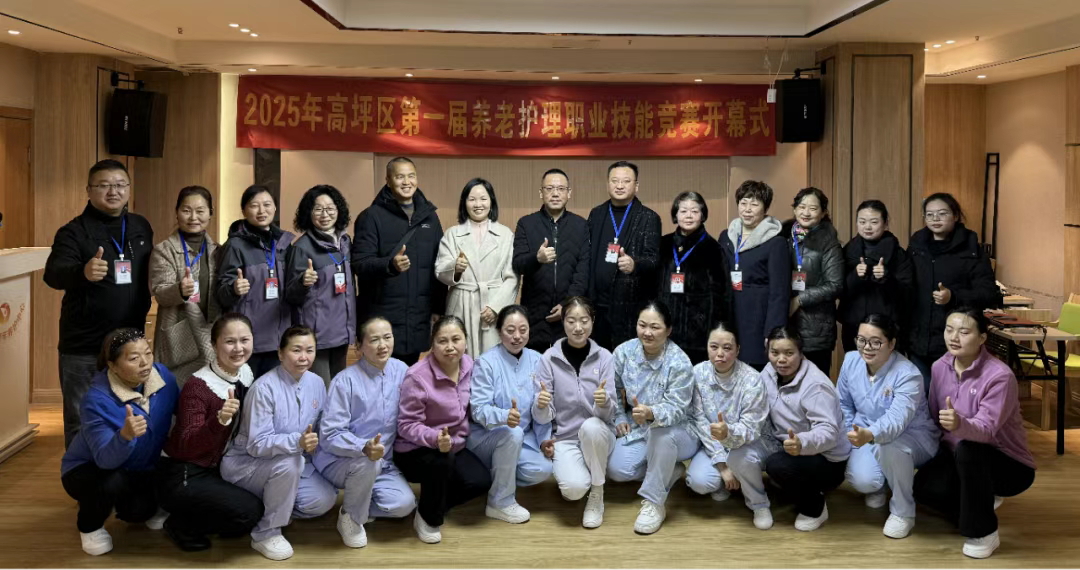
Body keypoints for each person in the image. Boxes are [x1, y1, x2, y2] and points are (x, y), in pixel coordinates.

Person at [44, 159, 154, 448]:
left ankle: (120, 471)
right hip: (85, 345)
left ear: (128, 188)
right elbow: (52, 274)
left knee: (128, 414)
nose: (113, 191)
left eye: (119, 185)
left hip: (129, 344)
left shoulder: (140, 226)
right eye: (104, 185)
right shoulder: (73, 232)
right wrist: (81, 272)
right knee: (81, 418)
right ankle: (82, 474)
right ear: (89, 190)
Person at [913, 308, 1035, 559]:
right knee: (923, 489)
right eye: (949, 330)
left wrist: (959, 424)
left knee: (969, 449)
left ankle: (984, 532)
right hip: (956, 454)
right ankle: (978, 503)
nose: (954, 337)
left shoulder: (1000, 376)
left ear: (982, 338)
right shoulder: (939, 367)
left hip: (1007, 462)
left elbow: (987, 430)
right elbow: (935, 417)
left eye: (964, 332)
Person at [220, 326, 337, 561]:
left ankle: (273, 505)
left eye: (310, 350)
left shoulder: (316, 383)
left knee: (323, 500)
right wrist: (298, 441)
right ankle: (266, 532)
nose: (303, 357)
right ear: (281, 353)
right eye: (296, 350)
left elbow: (321, 427)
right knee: (291, 463)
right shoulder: (264, 388)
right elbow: (257, 444)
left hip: (289, 463)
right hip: (247, 464)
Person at [60, 329, 178, 556]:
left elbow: (182, 411)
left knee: (140, 512)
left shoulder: (163, 377)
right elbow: (105, 460)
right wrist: (124, 436)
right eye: (133, 358)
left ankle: (117, 502)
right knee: (111, 482)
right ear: (112, 366)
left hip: (137, 467)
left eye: (148, 353)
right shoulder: (96, 400)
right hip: (88, 468)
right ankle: (90, 526)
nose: (144, 363)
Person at [156, 313, 264, 551]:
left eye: (244, 340)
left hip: (220, 465)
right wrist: (219, 420)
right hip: (185, 470)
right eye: (229, 341)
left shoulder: (244, 372)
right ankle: (179, 524)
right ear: (214, 345)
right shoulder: (198, 386)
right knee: (249, 513)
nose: (238, 348)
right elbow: (187, 446)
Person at [314, 316, 417, 549]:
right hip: (341, 459)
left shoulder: (402, 370)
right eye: (374, 340)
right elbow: (330, 435)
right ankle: (350, 517)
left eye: (387, 337)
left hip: (383, 461)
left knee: (404, 505)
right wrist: (363, 447)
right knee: (367, 462)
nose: (383, 345)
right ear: (358, 346)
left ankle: (356, 503)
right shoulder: (345, 381)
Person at [837, 314, 938, 539]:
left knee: (892, 446)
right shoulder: (851, 361)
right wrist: (851, 431)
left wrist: (870, 433)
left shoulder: (908, 374)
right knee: (864, 481)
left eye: (876, 342)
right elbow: (843, 403)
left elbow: (896, 420)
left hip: (912, 436)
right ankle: (883, 484)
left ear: (891, 344)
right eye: (861, 340)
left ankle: (903, 512)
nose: (867, 347)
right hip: (864, 431)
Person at [394, 316, 492, 544]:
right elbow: (406, 425)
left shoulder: (470, 365)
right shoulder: (417, 376)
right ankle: (428, 518)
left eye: (456, 339)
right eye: (442, 341)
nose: (450, 347)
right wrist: (435, 438)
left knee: (480, 482)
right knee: (441, 461)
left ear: (466, 341)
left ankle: (431, 504)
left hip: (454, 444)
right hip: (414, 449)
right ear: (432, 344)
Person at [608, 301, 697, 535]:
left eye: (655, 327)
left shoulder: (679, 362)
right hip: (639, 427)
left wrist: (652, 413)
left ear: (668, 330)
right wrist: (619, 416)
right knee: (618, 470)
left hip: (679, 431)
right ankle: (668, 470)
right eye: (642, 325)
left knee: (661, 432)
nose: (647, 332)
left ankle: (654, 503)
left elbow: (678, 408)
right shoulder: (623, 352)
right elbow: (612, 389)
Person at [531, 296, 617, 528]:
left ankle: (597, 492)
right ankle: (591, 471)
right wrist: (541, 404)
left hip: (598, 433)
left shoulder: (605, 357)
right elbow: (542, 417)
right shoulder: (548, 358)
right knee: (574, 490)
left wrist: (604, 402)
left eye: (584, 320)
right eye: (571, 321)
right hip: (565, 439)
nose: (578, 327)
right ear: (563, 322)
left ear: (592, 321)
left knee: (591, 426)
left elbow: (609, 415)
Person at [352, 157, 446, 365]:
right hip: (382, 317)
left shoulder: (429, 218)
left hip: (418, 315)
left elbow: (438, 265)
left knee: (409, 376)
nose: (406, 182)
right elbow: (360, 263)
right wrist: (390, 265)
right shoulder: (371, 217)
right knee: (379, 375)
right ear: (388, 180)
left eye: (411, 176)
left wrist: (439, 308)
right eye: (399, 176)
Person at [684, 322, 776, 530]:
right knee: (699, 481)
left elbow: (752, 428)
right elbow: (699, 421)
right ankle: (725, 481)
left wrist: (728, 433)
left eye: (727, 348)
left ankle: (759, 503)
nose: (720, 354)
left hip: (750, 444)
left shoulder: (752, 379)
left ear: (738, 350)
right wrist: (722, 465)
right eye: (714, 347)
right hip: (713, 444)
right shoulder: (697, 373)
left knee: (740, 457)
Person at [467, 305, 553, 524]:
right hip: (487, 436)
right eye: (510, 330)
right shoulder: (486, 362)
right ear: (499, 331)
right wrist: (503, 416)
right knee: (512, 433)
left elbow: (540, 407)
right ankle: (500, 501)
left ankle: (499, 475)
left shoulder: (537, 360)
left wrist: (544, 440)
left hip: (522, 438)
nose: (517, 336)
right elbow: (478, 410)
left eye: (523, 330)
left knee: (541, 469)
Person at [760, 326, 851, 531]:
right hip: (790, 445)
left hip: (827, 459)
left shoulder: (816, 385)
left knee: (776, 465)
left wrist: (802, 442)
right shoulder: (769, 371)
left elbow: (829, 431)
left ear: (801, 353)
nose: (781, 360)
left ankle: (815, 506)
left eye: (789, 353)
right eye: (775, 353)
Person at [907, 193, 1002, 389]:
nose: (935, 219)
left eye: (942, 213)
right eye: (929, 214)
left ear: (956, 216)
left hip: (956, 342)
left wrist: (953, 296)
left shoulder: (971, 249)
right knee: (921, 397)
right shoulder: (917, 246)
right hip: (918, 339)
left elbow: (989, 294)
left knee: (951, 398)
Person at [216, 185, 295, 379]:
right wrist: (234, 288)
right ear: (244, 210)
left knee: (275, 391)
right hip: (248, 339)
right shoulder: (235, 245)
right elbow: (221, 292)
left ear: (275, 208)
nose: (261, 211)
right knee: (248, 393)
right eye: (254, 205)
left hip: (279, 336)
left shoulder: (284, 244)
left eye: (267, 205)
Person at [436, 178, 518, 358]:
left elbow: (512, 277)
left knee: (493, 358)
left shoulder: (505, 234)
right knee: (459, 356)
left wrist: (496, 307)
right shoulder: (452, 234)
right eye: (472, 199)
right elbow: (440, 269)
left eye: (483, 199)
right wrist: (455, 268)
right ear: (464, 203)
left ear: (491, 201)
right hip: (461, 303)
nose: (478, 204)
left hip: (493, 303)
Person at [512, 168, 590, 352]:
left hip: (570, 314)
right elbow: (518, 264)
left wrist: (567, 305)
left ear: (569, 193)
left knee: (569, 361)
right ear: (541, 193)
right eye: (549, 189)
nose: (555, 193)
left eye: (561, 189)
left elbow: (583, 270)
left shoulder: (581, 225)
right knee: (534, 363)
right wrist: (537, 258)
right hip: (535, 312)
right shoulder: (526, 223)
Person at [284, 185, 356, 384]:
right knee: (320, 390)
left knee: (339, 388)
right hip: (317, 336)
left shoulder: (345, 242)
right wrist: (302, 282)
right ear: (309, 213)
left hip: (342, 330)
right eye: (318, 209)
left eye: (330, 208)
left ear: (338, 210)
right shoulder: (302, 247)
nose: (325, 215)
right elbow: (290, 295)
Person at [586, 161, 661, 349]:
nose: (619, 186)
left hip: (630, 307)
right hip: (597, 306)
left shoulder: (648, 217)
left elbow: (653, 260)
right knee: (599, 359)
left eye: (626, 181)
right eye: (615, 181)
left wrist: (635, 264)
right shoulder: (596, 214)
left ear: (636, 186)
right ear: (608, 184)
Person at [150, 186, 220, 386]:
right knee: (178, 393)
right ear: (177, 212)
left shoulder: (218, 250)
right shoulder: (164, 250)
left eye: (200, 211)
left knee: (210, 393)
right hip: (180, 337)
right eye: (186, 210)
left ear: (210, 213)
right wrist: (179, 290)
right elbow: (160, 293)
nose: (193, 217)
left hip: (211, 330)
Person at [719, 180, 789, 370]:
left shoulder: (776, 242)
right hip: (730, 314)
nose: (747, 209)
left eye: (754, 204)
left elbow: (779, 292)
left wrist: (773, 330)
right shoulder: (726, 237)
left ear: (765, 208)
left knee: (755, 372)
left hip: (758, 319)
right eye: (743, 203)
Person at [656, 191, 730, 364]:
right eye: (683, 211)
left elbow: (723, 296)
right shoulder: (663, 244)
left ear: (702, 215)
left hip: (698, 334)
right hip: (664, 328)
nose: (688, 216)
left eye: (694, 211)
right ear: (675, 215)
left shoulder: (713, 249)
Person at [839, 200, 914, 352]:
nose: (867, 227)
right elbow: (837, 289)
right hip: (854, 326)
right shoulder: (847, 252)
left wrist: (886, 278)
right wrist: (855, 276)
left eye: (874, 222)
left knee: (888, 366)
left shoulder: (898, 254)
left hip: (887, 327)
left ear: (885, 224)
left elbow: (908, 294)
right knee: (855, 365)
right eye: (862, 221)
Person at [783, 187, 843, 377]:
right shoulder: (784, 236)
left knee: (815, 384)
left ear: (823, 212)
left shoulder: (829, 242)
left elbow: (835, 285)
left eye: (813, 208)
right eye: (802, 207)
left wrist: (799, 300)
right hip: (787, 324)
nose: (806, 213)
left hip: (816, 327)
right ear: (794, 209)